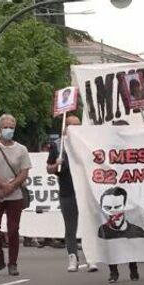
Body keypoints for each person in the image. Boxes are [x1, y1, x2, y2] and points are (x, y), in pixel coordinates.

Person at [0, 114, 32, 276]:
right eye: (5, 127)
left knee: (13, 229)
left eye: (11, 127)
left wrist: (10, 187)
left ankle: (12, 263)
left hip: (15, 195)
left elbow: (24, 173)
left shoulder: (21, 149)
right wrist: (2, 186)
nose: (9, 130)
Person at [47, 114, 97, 272]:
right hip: (67, 191)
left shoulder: (87, 145)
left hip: (85, 192)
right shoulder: (57, 146)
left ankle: (91, 258)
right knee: (70, 227)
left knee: (88, 225)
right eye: (73, 126)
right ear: (65, 129)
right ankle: (72, 257)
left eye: (78, 125)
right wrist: (56, 164)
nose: (76, 129)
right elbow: (49, 168)